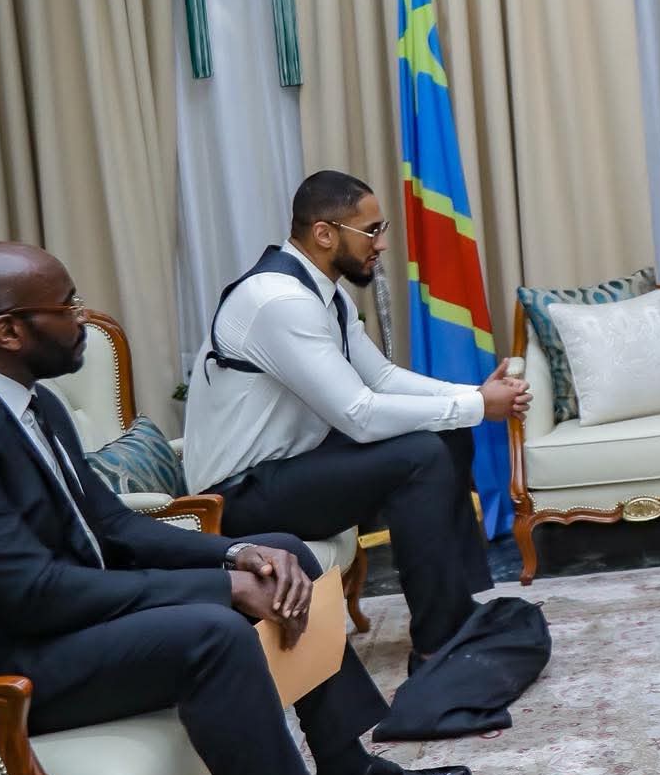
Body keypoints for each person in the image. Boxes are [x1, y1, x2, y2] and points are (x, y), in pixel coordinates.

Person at [0, 243, 469, 775]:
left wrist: (241, 552)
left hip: (55, 615)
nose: (83, 319)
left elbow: (113, 526)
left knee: (285, 555)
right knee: (212, 635)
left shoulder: (32, 401)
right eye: (68, 306)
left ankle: (347, 770)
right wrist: (222, 589)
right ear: (8, 331)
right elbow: (30, 592)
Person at [182, 171, 529, 670]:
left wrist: (473, 397)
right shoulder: (280, 301)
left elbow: (381, 377)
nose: (381, 244)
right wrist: (478, 406)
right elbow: (359, 414)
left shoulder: (323, 292)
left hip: (289, 470)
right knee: (420, 454)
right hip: (237, 497)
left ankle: (457, 610)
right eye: (371, 231)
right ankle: (436, 646)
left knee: (447, 433)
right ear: (324, 233)